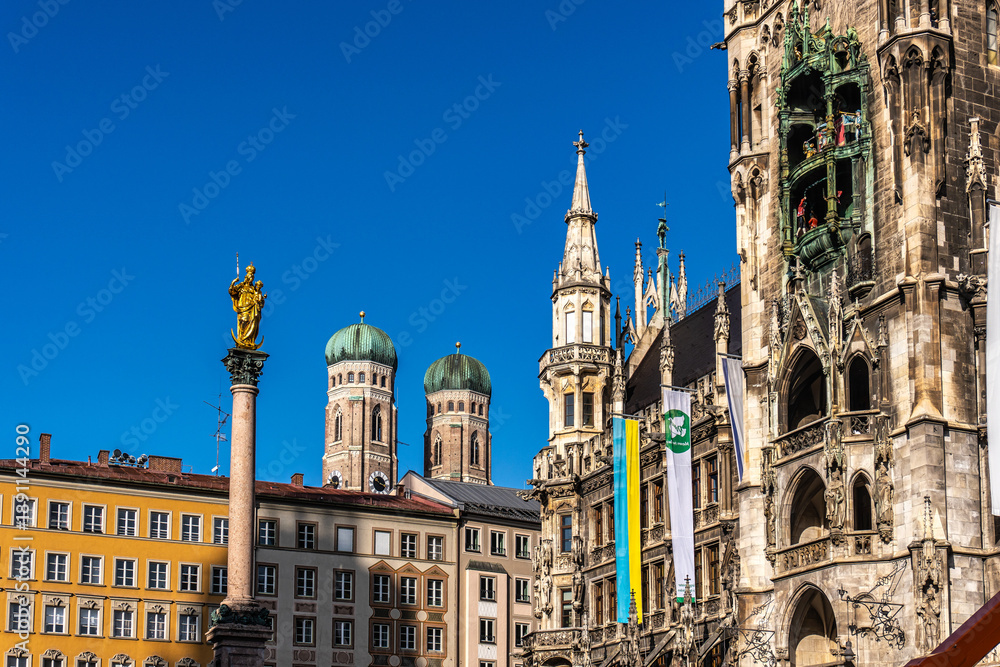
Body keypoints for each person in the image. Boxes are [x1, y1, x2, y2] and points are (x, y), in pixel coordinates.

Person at [229, 264, 267, 350]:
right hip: (243, 307)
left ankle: (249, 341)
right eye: (249, 277)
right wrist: (233, 282)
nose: (250, 279)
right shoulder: (241, 286)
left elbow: (259, 300)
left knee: (253, 323)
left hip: (252, 308)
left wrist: (261, 299)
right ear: (246, 277)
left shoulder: (254, 289)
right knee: (244, 321)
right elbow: (232, 291)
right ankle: (242, 339)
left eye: (252, 278)